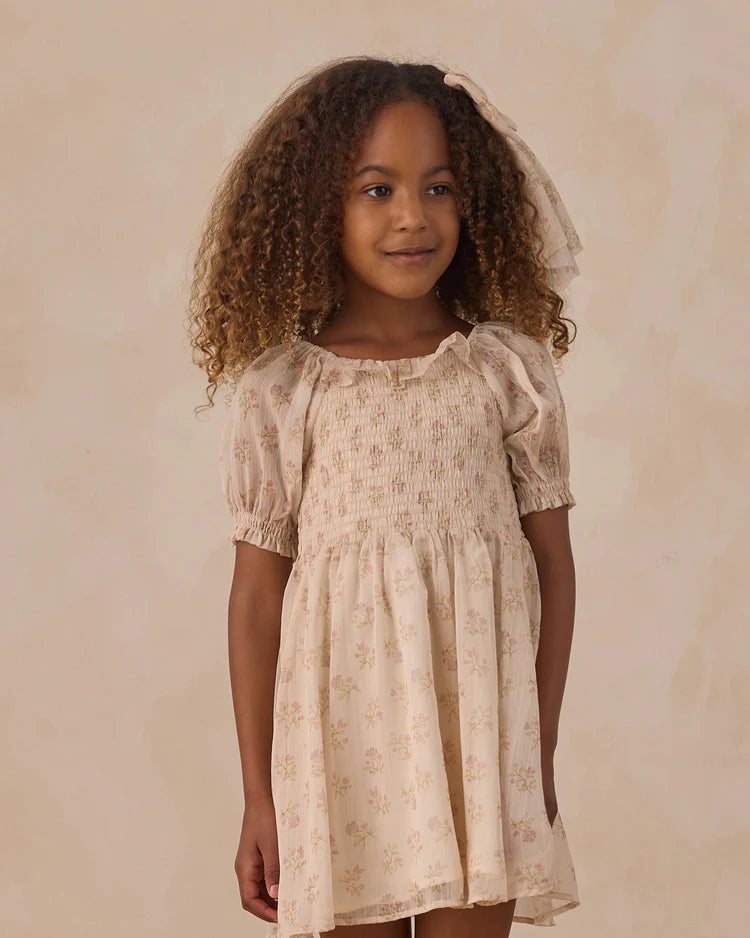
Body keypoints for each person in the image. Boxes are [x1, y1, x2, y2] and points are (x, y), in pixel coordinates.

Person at [188, 55, 583, 938]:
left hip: (480, 753)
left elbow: (552, 567)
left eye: (440, 187)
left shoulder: (506, 373)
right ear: (314, 208)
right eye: (377, 190)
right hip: (339, 760)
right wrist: (259, 795)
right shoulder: (284, 390)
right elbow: (257, 598)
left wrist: (537, 749)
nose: (413, 216)